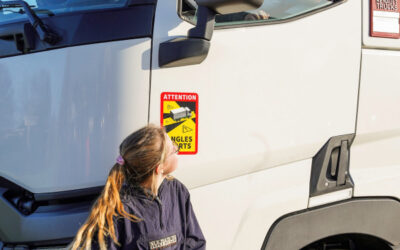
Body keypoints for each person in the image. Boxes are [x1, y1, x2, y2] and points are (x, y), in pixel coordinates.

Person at [70, 124, 206, 250]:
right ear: (159, 168)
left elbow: (195, 242)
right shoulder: (119, 209)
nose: (177, 149)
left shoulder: (178, 191)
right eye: (173, 149)